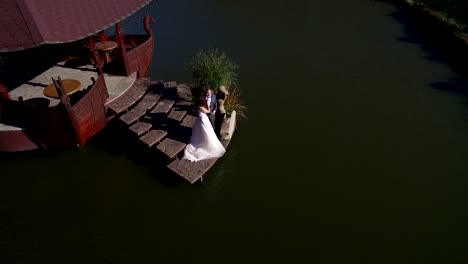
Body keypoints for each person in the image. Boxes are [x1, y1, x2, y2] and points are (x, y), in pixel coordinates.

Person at [182, 96, 226, 162]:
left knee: (200, 131)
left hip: (200, 119)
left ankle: (200, 139)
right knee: (207, 131)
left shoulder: (197, 106)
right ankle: (205, 143)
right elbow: (208, 111)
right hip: (203, 119)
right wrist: (208, 105)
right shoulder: (201, 108)